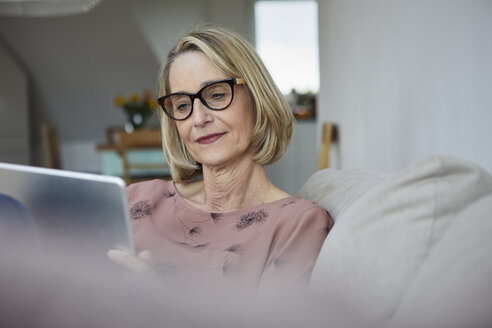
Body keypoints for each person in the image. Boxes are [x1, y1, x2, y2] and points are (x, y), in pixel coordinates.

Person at [108, 26, 333, 290]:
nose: (199, 119)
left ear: (258, 99)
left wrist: (158, 302)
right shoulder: (136, 200)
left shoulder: (299, 224)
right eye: (182, 105)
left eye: (216, 95)